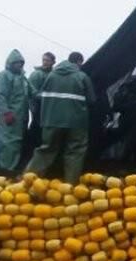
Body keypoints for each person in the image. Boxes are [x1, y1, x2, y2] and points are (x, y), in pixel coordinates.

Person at [26, 52, 95, 183]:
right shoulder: (82, 76)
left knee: (47, 149)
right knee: (75, 151)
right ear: (80, 62)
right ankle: (70, 185)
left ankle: (28, 180)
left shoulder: (51, 75)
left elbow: (42, 96)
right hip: (76, 122)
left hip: (51, 120)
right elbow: (91, 100)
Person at [0, 49, 31, 171]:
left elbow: (32, 92)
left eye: (21, 63)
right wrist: (6, 112)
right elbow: (0, 96)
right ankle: (6, 170)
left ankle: (15, 169)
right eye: (16, 63)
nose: (19, 65)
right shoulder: (3, 76)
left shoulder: (23, 78)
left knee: (19, 143)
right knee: (10, 143)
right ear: (10, 63)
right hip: (10, 117)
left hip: (22, 116)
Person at [109, 75, 136, 163]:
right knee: (127, 144)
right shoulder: (123, 92)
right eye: (135, 84)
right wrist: (131, 105)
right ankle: (124, 162)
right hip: (127, 120)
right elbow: (115, 107)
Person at [22, 52, 56, 162]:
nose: (45, 62)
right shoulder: (36, 75)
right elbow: (32, 93)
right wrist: (35, 108)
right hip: (38, 109)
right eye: (44, 60)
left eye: (48, 60)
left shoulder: (53, 75)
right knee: (35, 133)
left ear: (53, 62)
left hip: (49, 111)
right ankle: (28, 158)